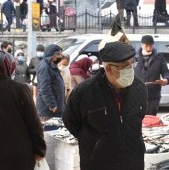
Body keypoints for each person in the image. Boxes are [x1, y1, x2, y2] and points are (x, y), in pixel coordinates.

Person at [63, 41, 147, 170]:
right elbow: (71, 121)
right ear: (108, 69)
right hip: (98, 163)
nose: (129, 70)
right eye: (124, 66)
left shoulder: (140, 88)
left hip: (133, 161)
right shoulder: (85, 91)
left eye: (132, 64)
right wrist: (96, 143)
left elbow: (139, 118)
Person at [134, 35, 169, 115]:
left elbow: (166, 72)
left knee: (151, 120)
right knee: (138, 120)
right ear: (142, 45)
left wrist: (166, 80)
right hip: (137, 95)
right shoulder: (135, 58)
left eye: (150, 46)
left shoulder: (159, 57)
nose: (149, 48)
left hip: (153, 96)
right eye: (146, 46)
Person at [36, 44, 64, 121]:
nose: (59, 57)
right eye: (57, 54)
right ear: (51, 55)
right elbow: (45, 88)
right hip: (48, 110)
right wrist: (52, 104)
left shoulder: (51, 65)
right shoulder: (45, 67)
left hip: (55, 108)